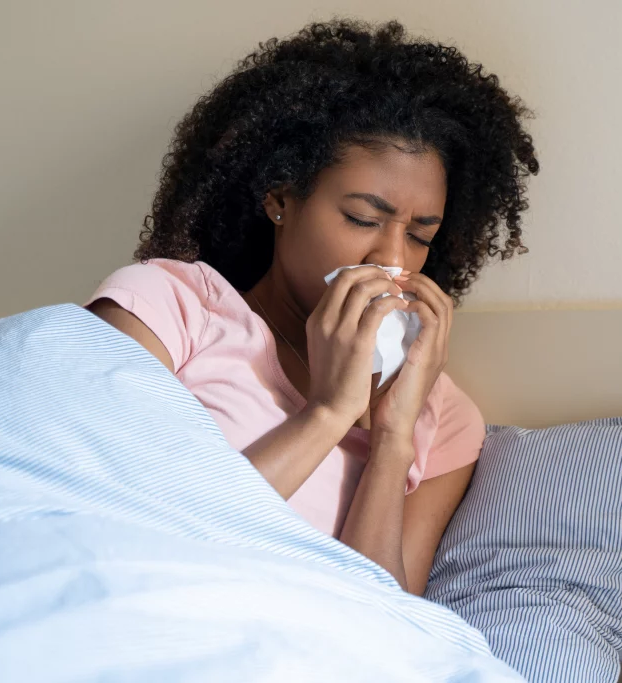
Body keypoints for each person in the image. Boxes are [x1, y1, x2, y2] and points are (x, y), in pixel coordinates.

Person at [87, 19, 538, 595]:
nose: (392, 259)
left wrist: (393, 440)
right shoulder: (166, 310)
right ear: (280, 199)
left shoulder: (441, 418)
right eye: (362, 219)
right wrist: (327, 413)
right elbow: (121, 537)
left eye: (420, 235)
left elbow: (385, 623)